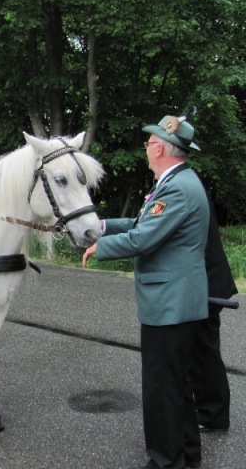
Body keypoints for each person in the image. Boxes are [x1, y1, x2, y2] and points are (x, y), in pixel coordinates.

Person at [82, 115, 209, 469]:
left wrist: (100, 248)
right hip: (176, 302)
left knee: (162, 388)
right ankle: (186, 454)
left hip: (170, 305)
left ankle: (166, 460)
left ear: (159, 148)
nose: (146, 149)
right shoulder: (178, 182)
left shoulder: (178, 188)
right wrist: (103, 227)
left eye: (148, 144)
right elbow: (143, 223)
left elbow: (144, 238)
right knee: (176, 385)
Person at [190, 194, 237, 433]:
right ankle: (210, 412)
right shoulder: (191, 184)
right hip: (206, 281)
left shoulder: (186, 188)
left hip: (206, 284)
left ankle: (213, 416)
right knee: (202, 351)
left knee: (204, 353)